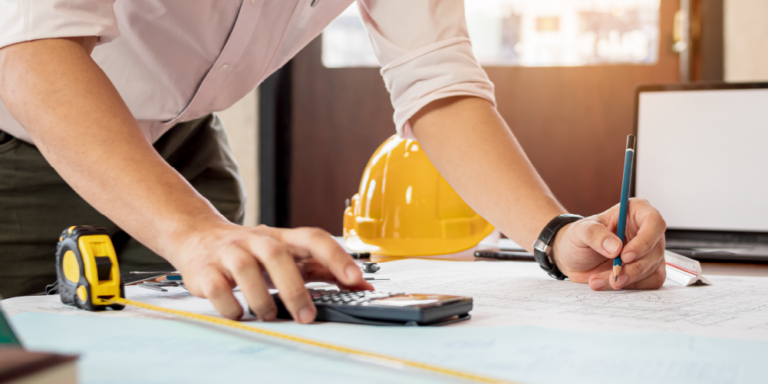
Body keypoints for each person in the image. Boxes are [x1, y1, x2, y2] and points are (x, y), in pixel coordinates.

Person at [0, 0, 666, 323]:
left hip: (181, 149)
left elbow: (436, 82)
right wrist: (191, 230)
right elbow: (32, 51)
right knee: (33, 357)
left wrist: (552, 234)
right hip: (18, 142)